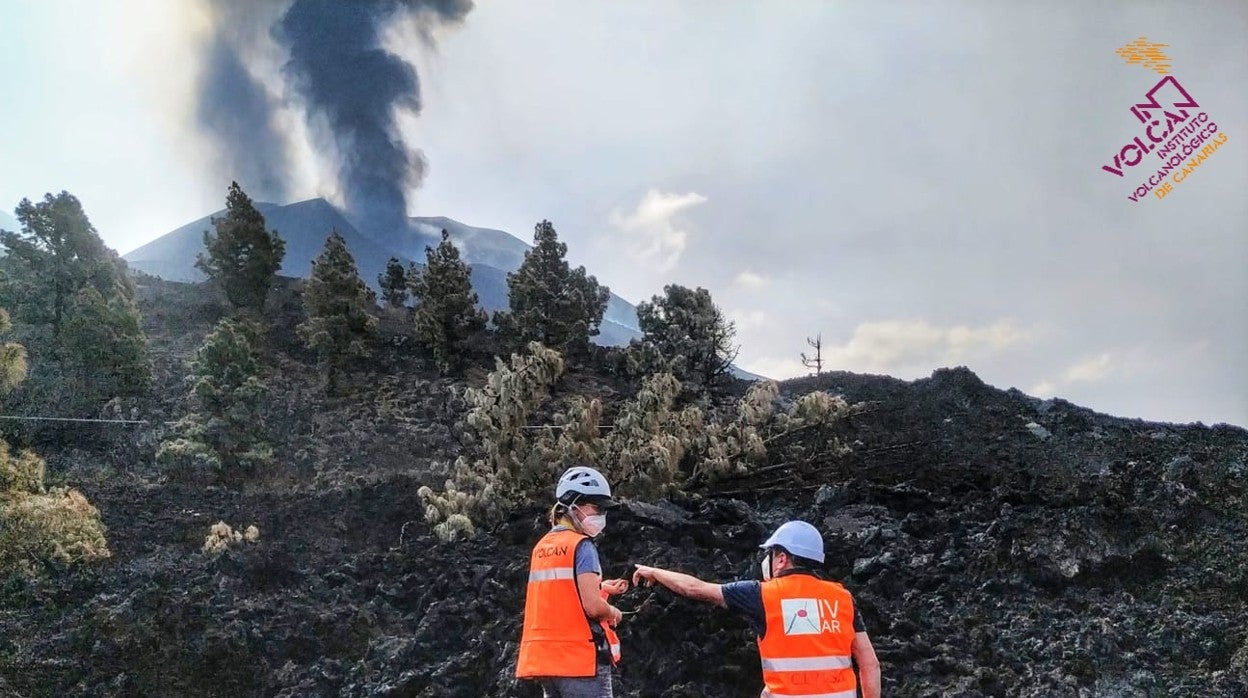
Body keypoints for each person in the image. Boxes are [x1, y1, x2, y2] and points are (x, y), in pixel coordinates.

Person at [633, 520, 881, 698]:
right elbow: (869, 664)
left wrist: (654, 571)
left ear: (782, 558)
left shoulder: (761, 594)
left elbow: (694, 588)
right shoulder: (842, 598)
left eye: (772, 554)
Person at [517, 465, 630, 697]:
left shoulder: (542, 547)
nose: (601, 515)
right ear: (574, 506)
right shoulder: (582, 546)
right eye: (596, 507)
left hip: (546, 664)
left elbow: (559, 595)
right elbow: (592, 606)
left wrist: (601, 587)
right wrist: (613, 612)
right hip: (580, 662)